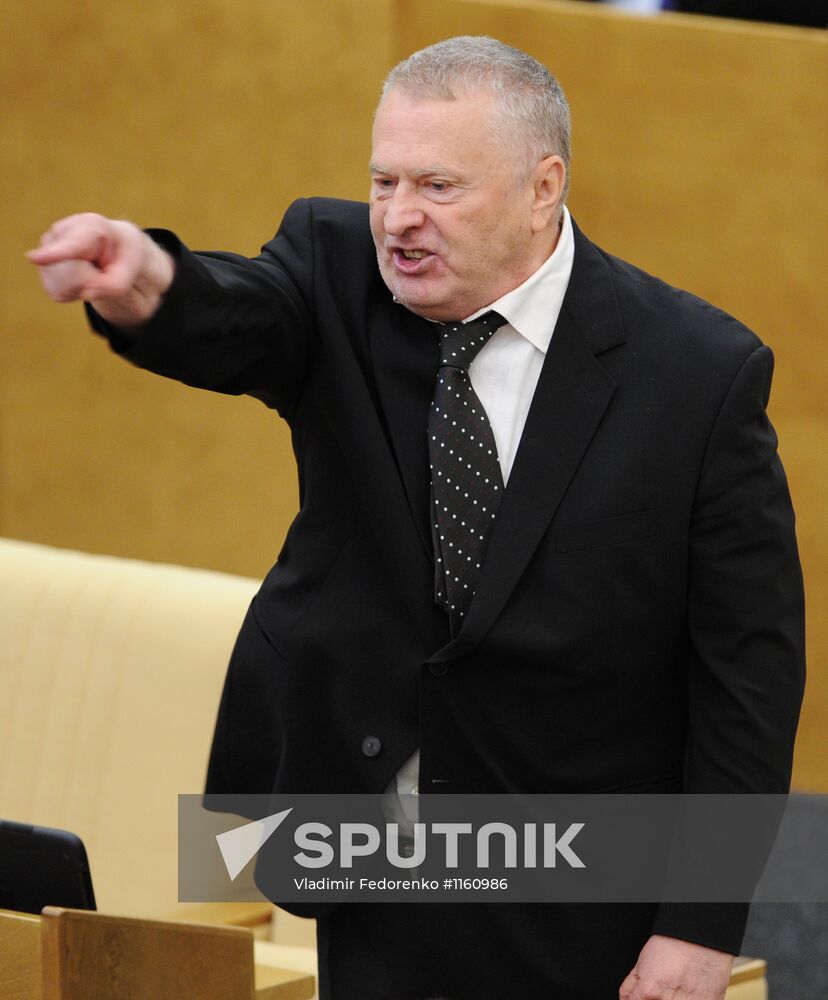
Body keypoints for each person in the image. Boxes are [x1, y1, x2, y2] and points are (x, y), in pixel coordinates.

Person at [28, 35, 804, 1000]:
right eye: (383, 180)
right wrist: (152, 287)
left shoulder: (696, 372)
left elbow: (750, 672)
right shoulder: (335, 268)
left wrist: (699, 923)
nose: (399, 218)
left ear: (542, 187)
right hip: (369, 837)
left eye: (438, 186)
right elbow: (237, 315)